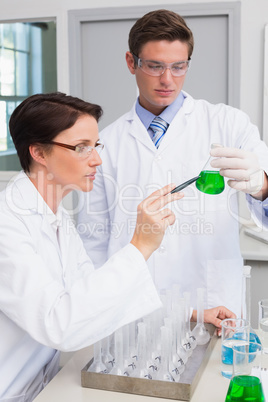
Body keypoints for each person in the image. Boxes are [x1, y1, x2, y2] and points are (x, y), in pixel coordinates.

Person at [77, 9, 268, 318]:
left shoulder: (228, 124)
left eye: (179, 67)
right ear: (132, 63)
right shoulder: (106, 143)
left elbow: (265, 206)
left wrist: (263, 187)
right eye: (155, 66)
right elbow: (94, 240)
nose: (168, 79)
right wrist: (99, 309)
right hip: (131, 316)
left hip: (214, 306)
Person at [0, 92, 184, 401]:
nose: (97, 158)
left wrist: (187, 315)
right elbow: (60, 324)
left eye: (95, 145)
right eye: (81, 147)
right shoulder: (8, 224)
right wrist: (139, 247)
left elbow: (90, 297)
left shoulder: (55, 214)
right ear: (39, 153)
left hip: (43, 385)